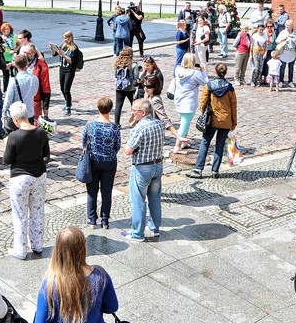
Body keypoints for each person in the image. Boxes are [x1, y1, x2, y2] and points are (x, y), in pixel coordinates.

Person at [3, 101, 50, 260]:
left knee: (20, 215)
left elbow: (7, 160)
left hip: (20, 178)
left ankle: (21, 250)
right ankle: (37, 245)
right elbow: (46, 153)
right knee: (37, 211)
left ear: (15, 119)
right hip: (39, 176)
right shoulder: (41, 132)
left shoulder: (14, 136)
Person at [122, 98, 164, 242]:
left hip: (142, 168)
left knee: (138, 200)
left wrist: (124, 144)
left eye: (135, 111)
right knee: (155, 199)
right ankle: (155, 228)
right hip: (158, 166)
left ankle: (137, 233)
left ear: (143, 112)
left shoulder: (139, 128)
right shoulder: (159, 124)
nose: (132, 113)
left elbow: (128, 151)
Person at [186, 63, 237, 179]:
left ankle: (198, 170)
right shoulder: (230, 88)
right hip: (225, 120)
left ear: (216, 72)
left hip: (212, 120)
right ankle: (215, 171)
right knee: (219, 146)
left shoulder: (209, 86)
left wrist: (203, 111)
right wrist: (234, 122)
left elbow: (203, 102)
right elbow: (234, 106)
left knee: (205, 143)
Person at [83, 97, 121, 229]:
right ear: (110, 110)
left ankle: (92, 219)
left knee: (92, 191)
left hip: (93, 161)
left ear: (98, 108)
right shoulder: (115, 128)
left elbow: (84, 143)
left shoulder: (90, 125)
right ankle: (105, 220)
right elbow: (117, 146)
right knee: (107, 191)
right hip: (109, 162)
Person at [172, 52, 208, 153]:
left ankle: (183, 142)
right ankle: (177, 146)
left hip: (179, 100)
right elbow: (206, 83)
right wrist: (203, 72)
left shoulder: (178, 69)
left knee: (184, 121)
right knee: (184, 124)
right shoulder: (195, 74)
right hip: (189, 102)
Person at [1, 54, 39, 124]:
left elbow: (8, 99)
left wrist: (4, 112)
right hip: (29, 112)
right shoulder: (34, 78)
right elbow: (35, 93)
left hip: (17, 114)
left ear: (16, 65)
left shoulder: (13, 80)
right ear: (27, 63)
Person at [53, 31, 80, 116]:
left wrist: (63, 54)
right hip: (62, 69)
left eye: (66, 38)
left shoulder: (74, 48)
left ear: (70, 38)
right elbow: (54, 54)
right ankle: (67, 101)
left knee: (66, 89)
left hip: (70, 70)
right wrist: (52, 49)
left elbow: (70, 60)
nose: (64, 40)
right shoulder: (63, 46)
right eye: (64, 38)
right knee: (62, 88)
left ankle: (68, 106)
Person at [24, 42, 51, 121]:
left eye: (28, 53)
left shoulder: (41, 66)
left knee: (35, 122)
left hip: (35, 100)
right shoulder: (22, 62)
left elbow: (46, 87)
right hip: (22, 98)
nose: (25, 55)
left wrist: (45, 107)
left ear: (34, 53)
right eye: (24, 52)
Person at [112, 47, 139, 126]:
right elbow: (135, 77)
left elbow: (116, 76)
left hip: (119, 88)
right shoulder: (133, 64)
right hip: (130, 88)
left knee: (118, 106)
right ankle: (136, 122)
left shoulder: (118, 64)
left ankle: (116, 123)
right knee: (134, 105)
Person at [275, 20, 296, 88]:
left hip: (292, 53)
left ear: (292, 26)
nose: (286, 26)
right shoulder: (283, 32)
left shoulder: (295, 33)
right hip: (284, 53)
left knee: (291, 68)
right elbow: (277, 41)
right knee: (282, 68)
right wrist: (283, 39)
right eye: (286, 25)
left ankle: (290, 81)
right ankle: (281, 81)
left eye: (288, 25)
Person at [0, 21, 16, 91]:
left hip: (13, 58)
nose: (6, 30)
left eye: (8, 29)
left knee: (14, 74)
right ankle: (5, 90)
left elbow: (19, 45)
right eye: (5, 29)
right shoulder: (1, 38)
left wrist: (14, 50)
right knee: (5, 76)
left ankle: (14, 89)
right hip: (4, 58)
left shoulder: (14, 36)